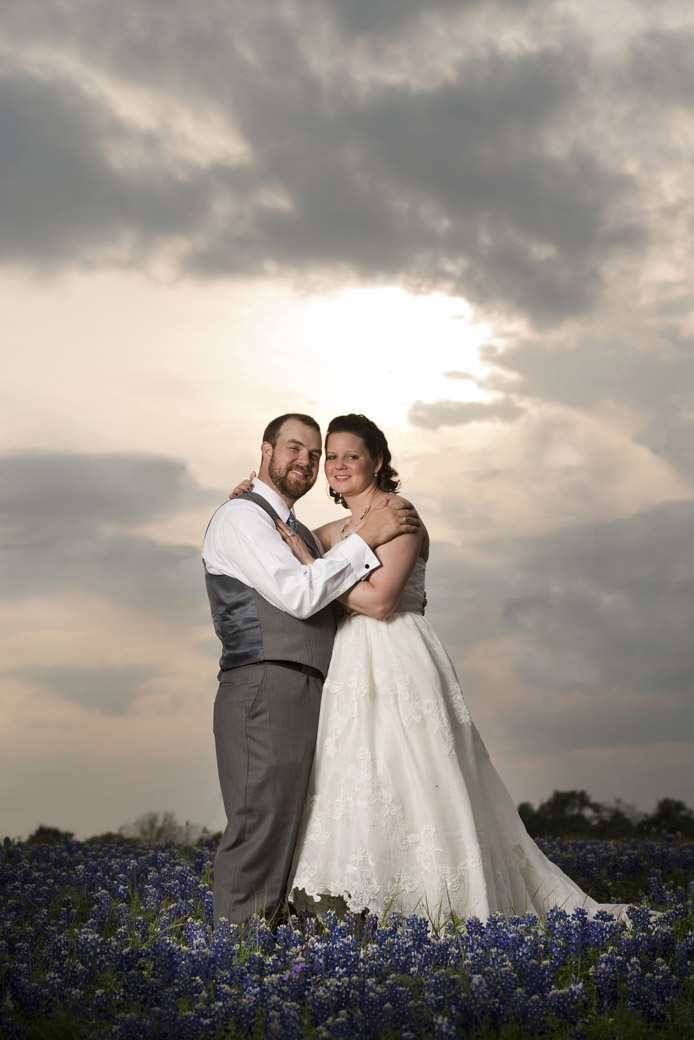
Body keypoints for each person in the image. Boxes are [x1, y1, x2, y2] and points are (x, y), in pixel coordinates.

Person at [265, 413, 628, 923]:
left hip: (396, 654)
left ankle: (433, 902)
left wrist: (310, 564)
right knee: (355, 773)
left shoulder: (399, 513)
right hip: (348, 662)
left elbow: (380, 602)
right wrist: (259, 496)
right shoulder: (335, 529)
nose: (339, 465)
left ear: (378, 461)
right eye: (333, 457)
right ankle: (362, 903)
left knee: (411, 770)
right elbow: (285, 530)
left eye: (353, 455)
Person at [202, 412, 421, 925]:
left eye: (314, 453)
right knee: (261, 821)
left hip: (310, 683)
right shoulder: (243, 518)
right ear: (266, 450)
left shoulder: (293, 526)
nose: (307, 460)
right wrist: (366, 539)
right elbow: (300, 595)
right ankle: (233, 957)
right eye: (294, 448)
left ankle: (268, 949)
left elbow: (335, 571)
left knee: (292, 826)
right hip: (264, 678)